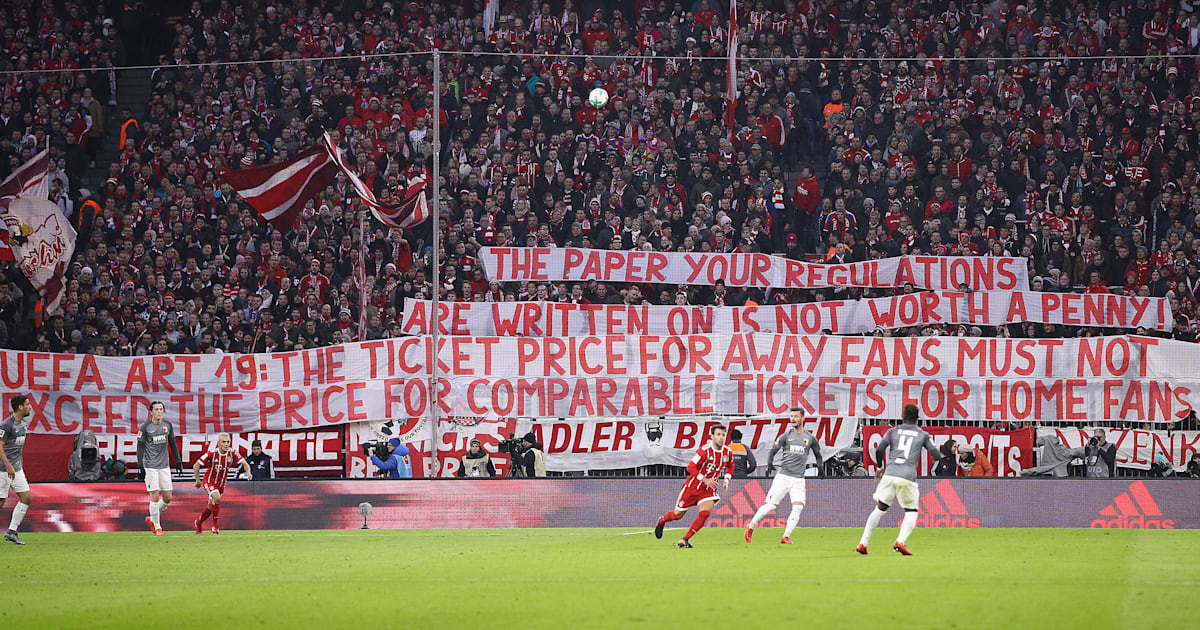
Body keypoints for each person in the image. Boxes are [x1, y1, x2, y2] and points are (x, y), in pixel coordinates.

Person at [856, 405, 942, 556]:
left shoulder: (892, 431)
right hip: (907, 476)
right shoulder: (922, 434)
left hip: (890, 473)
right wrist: (936, 458)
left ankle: (863, 543)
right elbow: (936, 454)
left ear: (902, 415)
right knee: (911, 512)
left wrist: (879, 467)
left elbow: (879, 450)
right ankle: (900, 542)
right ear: (917, 417)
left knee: (880, 508)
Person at [744, 407, 823, 545]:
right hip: (783, 477)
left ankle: (785, 536)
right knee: (771, 505)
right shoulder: (786, 436)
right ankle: (751, 526)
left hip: (799, 480)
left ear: (803, 419)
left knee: (798, 507)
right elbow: (773, 450)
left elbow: (818, 455)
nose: (793, 419)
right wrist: (769, 464)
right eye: (791, 416)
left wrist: (820, 468)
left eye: (796, 416)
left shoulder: (810, 438)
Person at [654, 425, 733, 548]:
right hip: (693, 487)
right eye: (718, 435)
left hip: (708, 490)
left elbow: (730, 465)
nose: (721, 437)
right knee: (677, 515)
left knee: (705, 514)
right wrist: (704, 479)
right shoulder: (704, 450)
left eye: (723, 435)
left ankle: (684, 539)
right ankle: (662, 520)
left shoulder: (727, 452)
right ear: (712, 437)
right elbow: (690, 467)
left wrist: (727, 480)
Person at [137, 401, 183, 536]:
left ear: (163, 411)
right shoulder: (145, 427)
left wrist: (178, 461)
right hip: (150, 466)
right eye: (156, 409)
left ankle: (152, 518)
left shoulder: (167, 425)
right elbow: (140, 446)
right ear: (151, 412)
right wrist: (141, 465)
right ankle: (157, 527)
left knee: (168, 497)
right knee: (155, 495)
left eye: (161, 409)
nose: (159, 411)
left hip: (164, 466)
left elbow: (173, 443)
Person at [192, 433, 250, 534]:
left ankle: (199, 522)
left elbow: (245, 463)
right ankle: (215, 525)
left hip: (221, 484)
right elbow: (196, 465)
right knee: (217, 498)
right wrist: (198, 481)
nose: (226, 444)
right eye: (224, 442)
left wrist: (248, 472)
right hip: (209, 481)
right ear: (218, 443)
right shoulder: (211, 453)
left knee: (211, 506)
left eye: (228, 442)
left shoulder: (233, 453)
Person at [0, 395, 33, 545]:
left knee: (26, 498)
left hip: (16, 469)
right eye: (27, 404)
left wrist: (20, 465)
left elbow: (18, 448)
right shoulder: (7, 425)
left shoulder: (23, 425)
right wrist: (7, 465)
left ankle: (12, 532)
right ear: (20, 407)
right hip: (3, 469)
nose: (30, 406)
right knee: (0, 502)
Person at [1019, 434, 1085, 477]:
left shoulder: (1061, 452)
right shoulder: (1063, 452)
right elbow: (1078, 451)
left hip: (1051, 478)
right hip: (1060, 478)